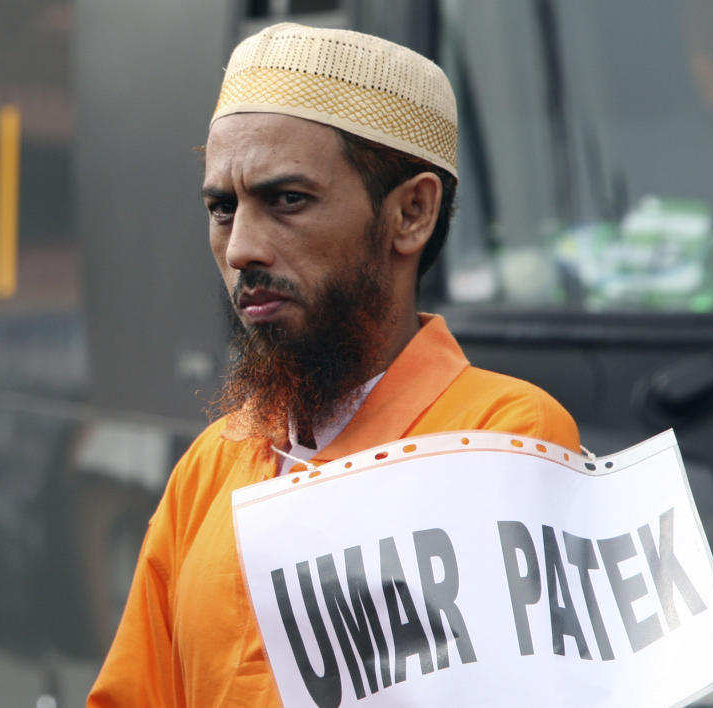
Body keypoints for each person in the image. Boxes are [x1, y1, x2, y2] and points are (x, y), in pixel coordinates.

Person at [88, 22, 579, 707]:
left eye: (286, 200)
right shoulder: (209, 467)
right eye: (222, 208)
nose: (241, 250)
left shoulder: (507, 438)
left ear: (411, 213)